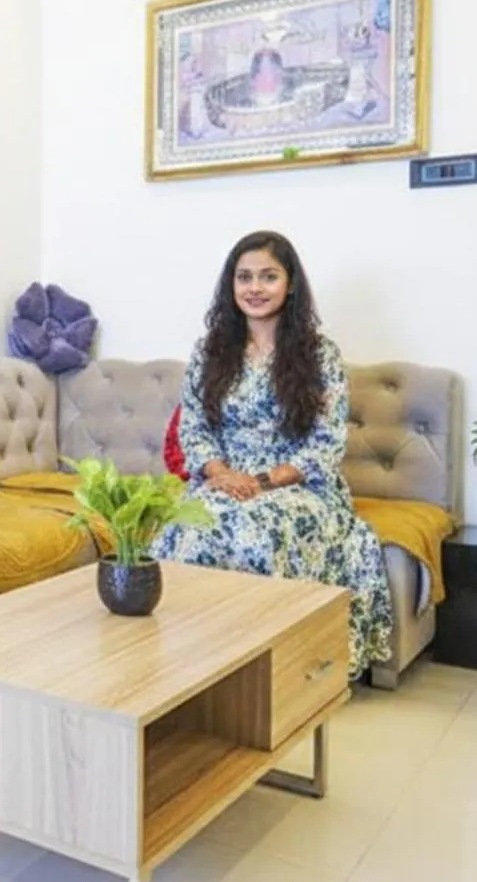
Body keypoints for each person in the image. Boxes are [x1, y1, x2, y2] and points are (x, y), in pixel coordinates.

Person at [153, 231, 392, 678]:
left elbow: (325, 444)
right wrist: (222, 474)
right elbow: (194, 427)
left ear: (291, 284)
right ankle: (188, 659)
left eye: (268, 276)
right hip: (221, 482)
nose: (255, 288)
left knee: (253, 527)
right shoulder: (209, 351)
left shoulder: (319, 354)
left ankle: (266, 669)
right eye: (244, 277)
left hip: (300, 487)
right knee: (185, 525)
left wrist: (260, 483)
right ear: (231, 286)